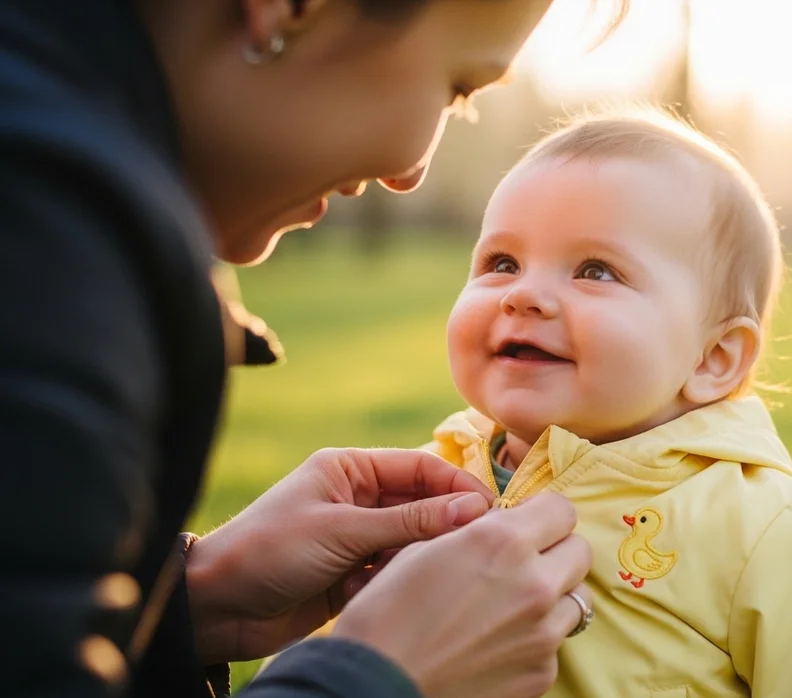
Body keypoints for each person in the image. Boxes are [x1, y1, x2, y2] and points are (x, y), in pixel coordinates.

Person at [0, 1, 623, 697]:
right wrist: (377, 676)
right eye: (456, 87)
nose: (411, 171)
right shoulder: (43, 245)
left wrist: (186, 604)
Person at [395, 109, 792, 695]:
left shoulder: (765, 530)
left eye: (595, 270)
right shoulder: (422, 490)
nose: (524, 294)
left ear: (712, 358)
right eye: (502, 263)